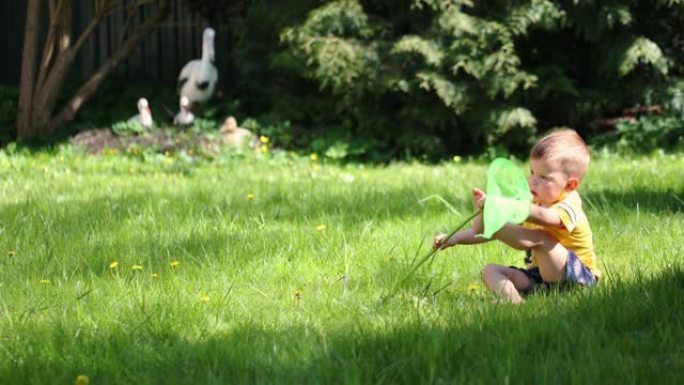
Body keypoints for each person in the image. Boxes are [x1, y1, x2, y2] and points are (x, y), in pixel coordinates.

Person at [433, 129, 600, 304]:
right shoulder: (534, 203)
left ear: (570, 184)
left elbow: (547, 218)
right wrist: (456, 236)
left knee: (543, 239)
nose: (533, 180)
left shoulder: (569, 203)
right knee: (491, 271)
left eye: (544, 177)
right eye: (532, 172)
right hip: (542, 275)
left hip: (579, 277)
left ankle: (549, 291)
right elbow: (488, 232)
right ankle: (514, 302)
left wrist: (514, 206)